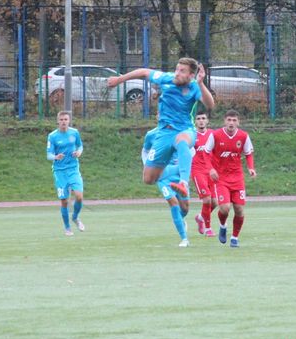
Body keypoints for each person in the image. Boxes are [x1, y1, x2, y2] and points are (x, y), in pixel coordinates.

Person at [108, 57, 214, 247]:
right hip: (163, 134)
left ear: (191, 75)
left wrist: (201, 83)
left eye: (182, 71)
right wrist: (119, 79)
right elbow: (142, 72)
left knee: (182, 142)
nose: (177, 73)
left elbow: (210, 104)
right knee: (148, 178)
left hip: (184, 130)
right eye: (177, 69)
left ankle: (183, 181)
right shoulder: (165, 78)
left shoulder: (193, 87)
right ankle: (175, 183)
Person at [204, 109, 256, 248]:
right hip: (221, 178)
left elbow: (249, 153)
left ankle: (234, 238)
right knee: (225, 208)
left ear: (238, 122)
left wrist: (251, 168)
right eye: (229, 120)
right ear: (224, 121)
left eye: (234, 120)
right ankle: (222, 225)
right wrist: (211, 169)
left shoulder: (243, 136)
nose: (231, 123)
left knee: (239, 209)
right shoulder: (215, 135)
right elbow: (206, 153)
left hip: (237, 178)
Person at [46, 111, 85, 236]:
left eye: (66, 119)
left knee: (79, 196)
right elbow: (48, 155)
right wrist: (55, 157)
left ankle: (75, 217)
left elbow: (80, 146)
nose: (63, 121)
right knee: (64, 201)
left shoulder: (74, 133)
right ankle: (67, 228)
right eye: (61, 119)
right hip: (59, 172)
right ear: (58, 121)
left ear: (69, 121)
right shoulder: (52, 136)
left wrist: (79, 152)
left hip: (73, 169)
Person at [191, 111, 217, 237]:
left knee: (215, 202)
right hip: (198, 170)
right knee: (206, 199)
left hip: (211, 171)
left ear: (207, 121)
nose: (201, 121)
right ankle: (208, 228)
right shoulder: (191, 135)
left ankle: (201, 217)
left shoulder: (213, 134)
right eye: (198, 119)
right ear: (195, 121)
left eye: (203, 118)